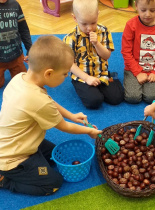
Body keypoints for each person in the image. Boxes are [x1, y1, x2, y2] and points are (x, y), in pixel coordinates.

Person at [0, 36, 102, 196]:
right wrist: (89, 132)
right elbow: (64, 126)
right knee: (53, 183)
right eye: (64, 74)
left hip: (16, 140)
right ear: (48, 73)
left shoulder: (19, 79)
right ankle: (4, 180)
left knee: (56, 155)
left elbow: (48, 102)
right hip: (13, 159)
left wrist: (71, 115)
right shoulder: (36, 100)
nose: (66, 77)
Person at [64, 0, 124, 109]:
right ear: (75, 18)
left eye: (93, 22)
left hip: (101, 73)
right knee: (94, 101)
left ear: (98, 15)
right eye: (84, 23)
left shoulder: (104, 31)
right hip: (82, 76)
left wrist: (97, 43)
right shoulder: (71, 38)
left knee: (117, 98)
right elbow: (69, 65)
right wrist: (87, 78)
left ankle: (111, 77)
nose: (90, 28)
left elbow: (106, 56)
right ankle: (87, 87)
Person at [121, 0, 155, 104]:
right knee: (132, 98)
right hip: (133, 69)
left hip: (153, 69)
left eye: (152, 10)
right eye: (143, 10)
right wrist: (137, 72)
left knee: (152, 98)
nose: (147, 14)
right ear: (136, 6)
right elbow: (126, 51)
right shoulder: (131, 25)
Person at [0, 0, 32, 88]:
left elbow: (23, 29)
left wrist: (30, 50)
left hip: (16, 56)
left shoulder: (15, 5)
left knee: (23, 83)